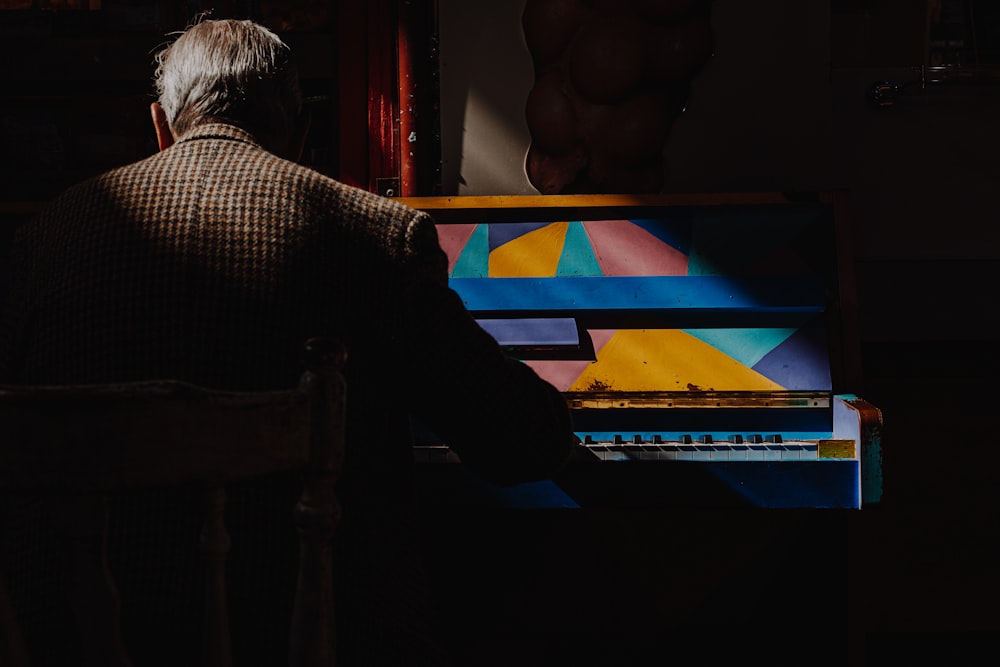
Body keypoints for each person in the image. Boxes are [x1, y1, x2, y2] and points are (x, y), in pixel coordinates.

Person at [0, 18, 575, 666]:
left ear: (160, 126)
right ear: (302, 135)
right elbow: (522, 442)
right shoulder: (376, 239)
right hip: (308, 643)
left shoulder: (42, 243)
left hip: (76, 641)